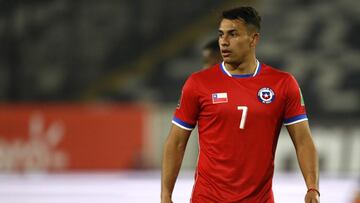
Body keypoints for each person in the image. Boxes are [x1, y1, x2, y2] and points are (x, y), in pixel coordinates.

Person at [161, 6, 319, 203]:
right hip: (208, 198)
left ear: (253, 39)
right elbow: (176, 142)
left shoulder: (283, 84)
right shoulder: (198, 83)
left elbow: (303, 141)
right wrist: (166, 195)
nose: (224, 42)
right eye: (221, 35)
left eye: (233, 34)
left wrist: (312, 188)